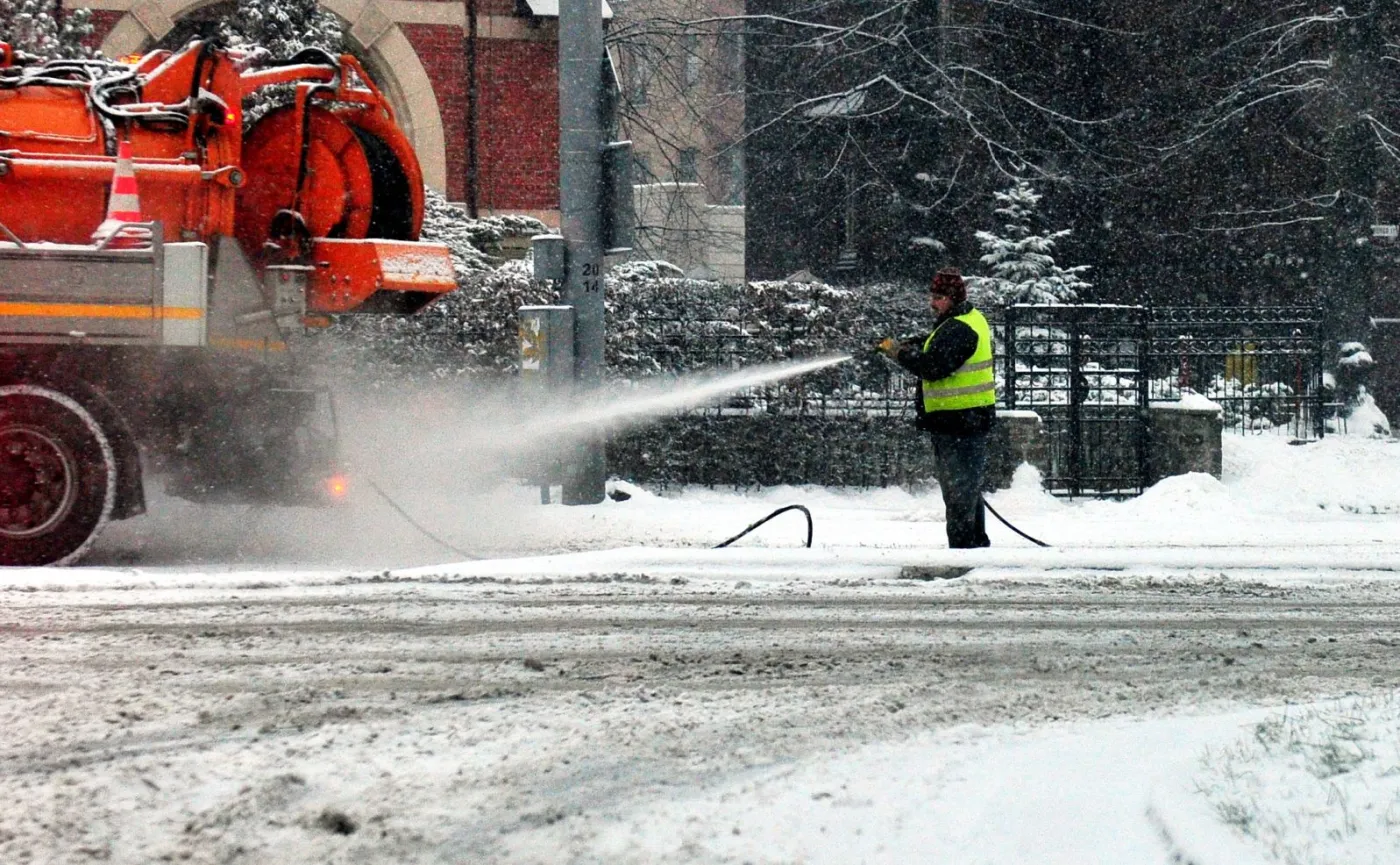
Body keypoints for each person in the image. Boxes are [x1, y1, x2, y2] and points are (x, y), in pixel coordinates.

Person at [877, 267, 995, 548]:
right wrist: (909, 344)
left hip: (961, 423)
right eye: (933, 295)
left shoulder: (959, 328)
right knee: (966, 492)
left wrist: (899, 352)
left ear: (954, 298)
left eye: (939, 297)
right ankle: (975, 548)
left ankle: (963, 552)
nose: (933, 302)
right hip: (960, 421)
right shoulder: (961, 320)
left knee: (959, 494)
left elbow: (933, 366)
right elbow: (936, 345)